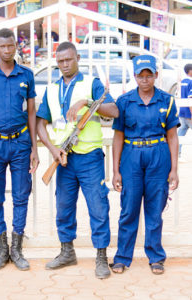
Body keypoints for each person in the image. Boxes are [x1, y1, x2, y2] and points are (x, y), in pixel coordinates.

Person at [36, 41, 119, 279]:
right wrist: (52, 150)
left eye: (68, 60)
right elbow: (40, 123)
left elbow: (113, 111)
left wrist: (87, 103)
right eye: (60, 61)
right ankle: (66, 252)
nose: (64, 65)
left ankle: (101, 258)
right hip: (63, 158)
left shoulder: (91, 84)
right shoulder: (52, 89)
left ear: (77, 58)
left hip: (90, 157)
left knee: (98, 208)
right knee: (63, 208)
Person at [0, 28, 39, 271]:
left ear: (16, 46)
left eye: (11, 46)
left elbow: (31, 112)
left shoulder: (27, 75)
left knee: (22, 196)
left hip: (21, 143)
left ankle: (17, 249)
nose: (7, 50)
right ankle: (1, 249)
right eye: (2, 46)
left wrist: (34, 147)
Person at [110, 55, 179, 275]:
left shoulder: (166, 101)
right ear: (135, 76)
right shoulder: (124, 101)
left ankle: (156, 257)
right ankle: (122, 257)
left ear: (156, 76)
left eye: (149, 75)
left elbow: (173, 136)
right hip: (131, 156)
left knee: (154, 208)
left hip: (158, 155)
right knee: (128, 208)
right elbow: (118, 137)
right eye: (141, 75)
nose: (145, 80)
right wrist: (115, 170)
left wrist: (174, 169)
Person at [178, 64, 192, 162]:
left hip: (182, 111)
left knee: (181, 133)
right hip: (189, 112)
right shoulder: (191, 82)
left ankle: (177, 153)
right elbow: (190, 99)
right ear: (190, 71)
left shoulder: (182, 82)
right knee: (181, 132)